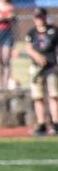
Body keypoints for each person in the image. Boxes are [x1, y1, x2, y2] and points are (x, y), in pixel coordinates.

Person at [23, 8, 58, 136]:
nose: (39, 20)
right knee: (38, 97)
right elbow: (29, 48)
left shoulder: (54, 31)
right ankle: (41, 124)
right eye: (37, 17)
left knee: (54, 95)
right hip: (36, 68)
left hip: (51, 67)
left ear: (45, 17)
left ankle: (55, 123)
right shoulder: (31, 33)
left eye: (41, 17)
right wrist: (38, 57)